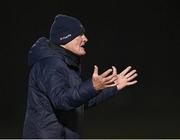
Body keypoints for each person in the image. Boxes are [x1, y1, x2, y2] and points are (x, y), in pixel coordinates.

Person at [23, 14, 138, 139]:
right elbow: (62, 100)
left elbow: (79, 101)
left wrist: (111, 87)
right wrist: (92, 86)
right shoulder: (50, 64)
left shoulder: (66, 63)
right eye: (80, 35)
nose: (85, 39)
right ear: (64, 38)